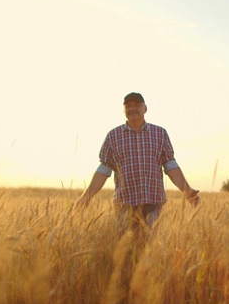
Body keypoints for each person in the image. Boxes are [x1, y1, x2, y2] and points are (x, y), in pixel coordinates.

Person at [75, 92, 200, 228]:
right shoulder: (113, 136)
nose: (132, 108)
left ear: (145, 108)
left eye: (137, 105)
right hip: (124, 205)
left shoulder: (160, 133)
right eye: (128, 106)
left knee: (149, 244)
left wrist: (187, 191)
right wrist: (86, 197)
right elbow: (103, 170)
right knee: (125, 247)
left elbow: (170, 165)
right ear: (124, 110)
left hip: (153, 203)